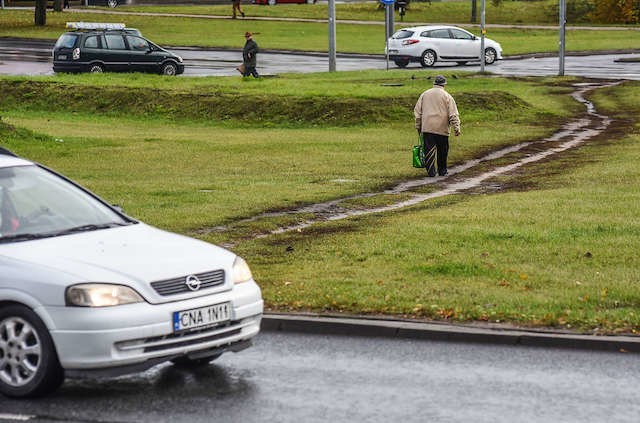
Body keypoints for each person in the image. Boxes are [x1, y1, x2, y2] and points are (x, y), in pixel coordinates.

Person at [413, 75, 460, 177]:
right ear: (444, 84)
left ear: (434, 83)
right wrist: (456, 127)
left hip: (428, 127)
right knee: (443, 150)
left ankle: (431, 172)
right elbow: (453, 114)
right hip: (442, 128)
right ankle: (442, 170)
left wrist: (418, 126)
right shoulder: (447, 96)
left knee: (428, 150)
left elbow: (417, 112)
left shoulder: (425, 94)